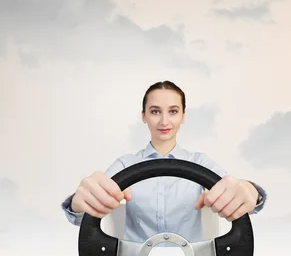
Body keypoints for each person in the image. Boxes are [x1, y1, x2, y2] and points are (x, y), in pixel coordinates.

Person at [60, 80, 267, 243]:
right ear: (144, 116)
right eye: (155, 111)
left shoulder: (200, 162)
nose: (164, 121)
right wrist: (79, 203)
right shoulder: (125, 165)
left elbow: (240, 198)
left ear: (183, 116)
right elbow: (82, 216)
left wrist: (250, 191)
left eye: (173, 111)